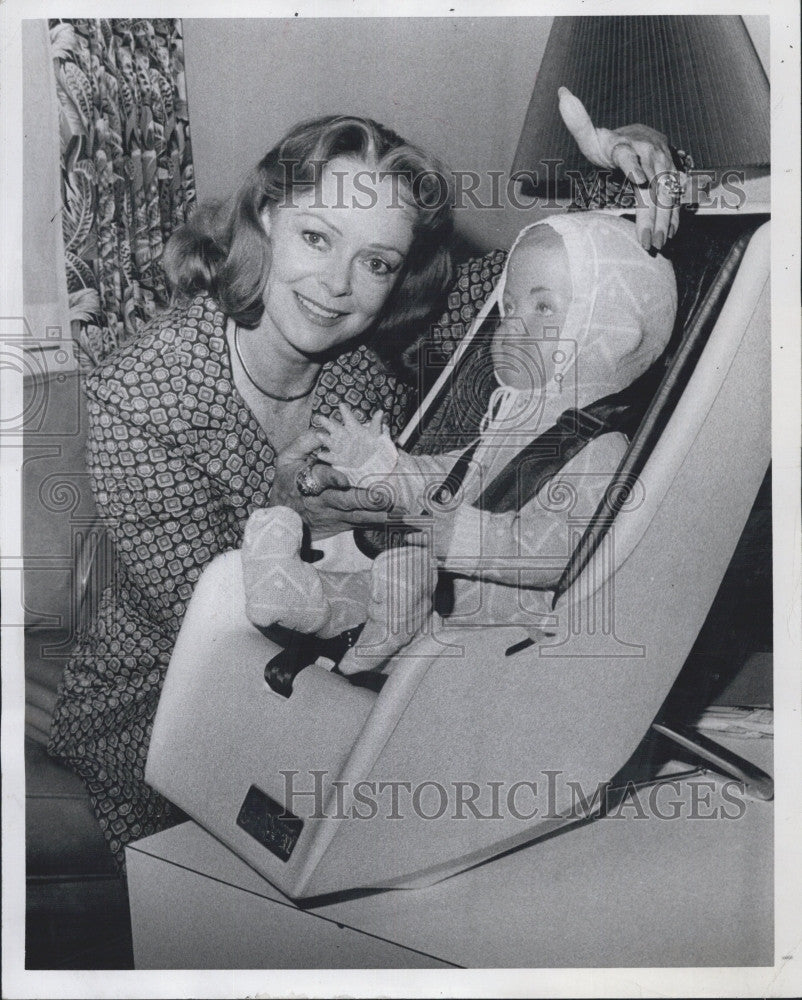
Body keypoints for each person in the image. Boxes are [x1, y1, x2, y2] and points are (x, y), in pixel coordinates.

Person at [48, 97, 684, 866]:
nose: (338, 286)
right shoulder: (142, 395)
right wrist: (314, 522)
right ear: (262, 222)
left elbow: (555, 285)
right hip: (179, 700)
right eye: (317, 237)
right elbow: (218, 621)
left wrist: (625, 159)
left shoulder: (373, 347)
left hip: (354, 670)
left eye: (377, 262)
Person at [240, 213, 678, 673]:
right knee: (387, 577)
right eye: (509, 307)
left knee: (401, 572)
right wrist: (385, 465)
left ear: (611, 330)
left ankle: (376, 628)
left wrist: (448, 531)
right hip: (442, 599)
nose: (511, 325)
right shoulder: (517, 418)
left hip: (495, 637)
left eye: (543, 309)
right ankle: (291, 593)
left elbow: (548, 552)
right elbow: (453, 475)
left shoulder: (602, 450)